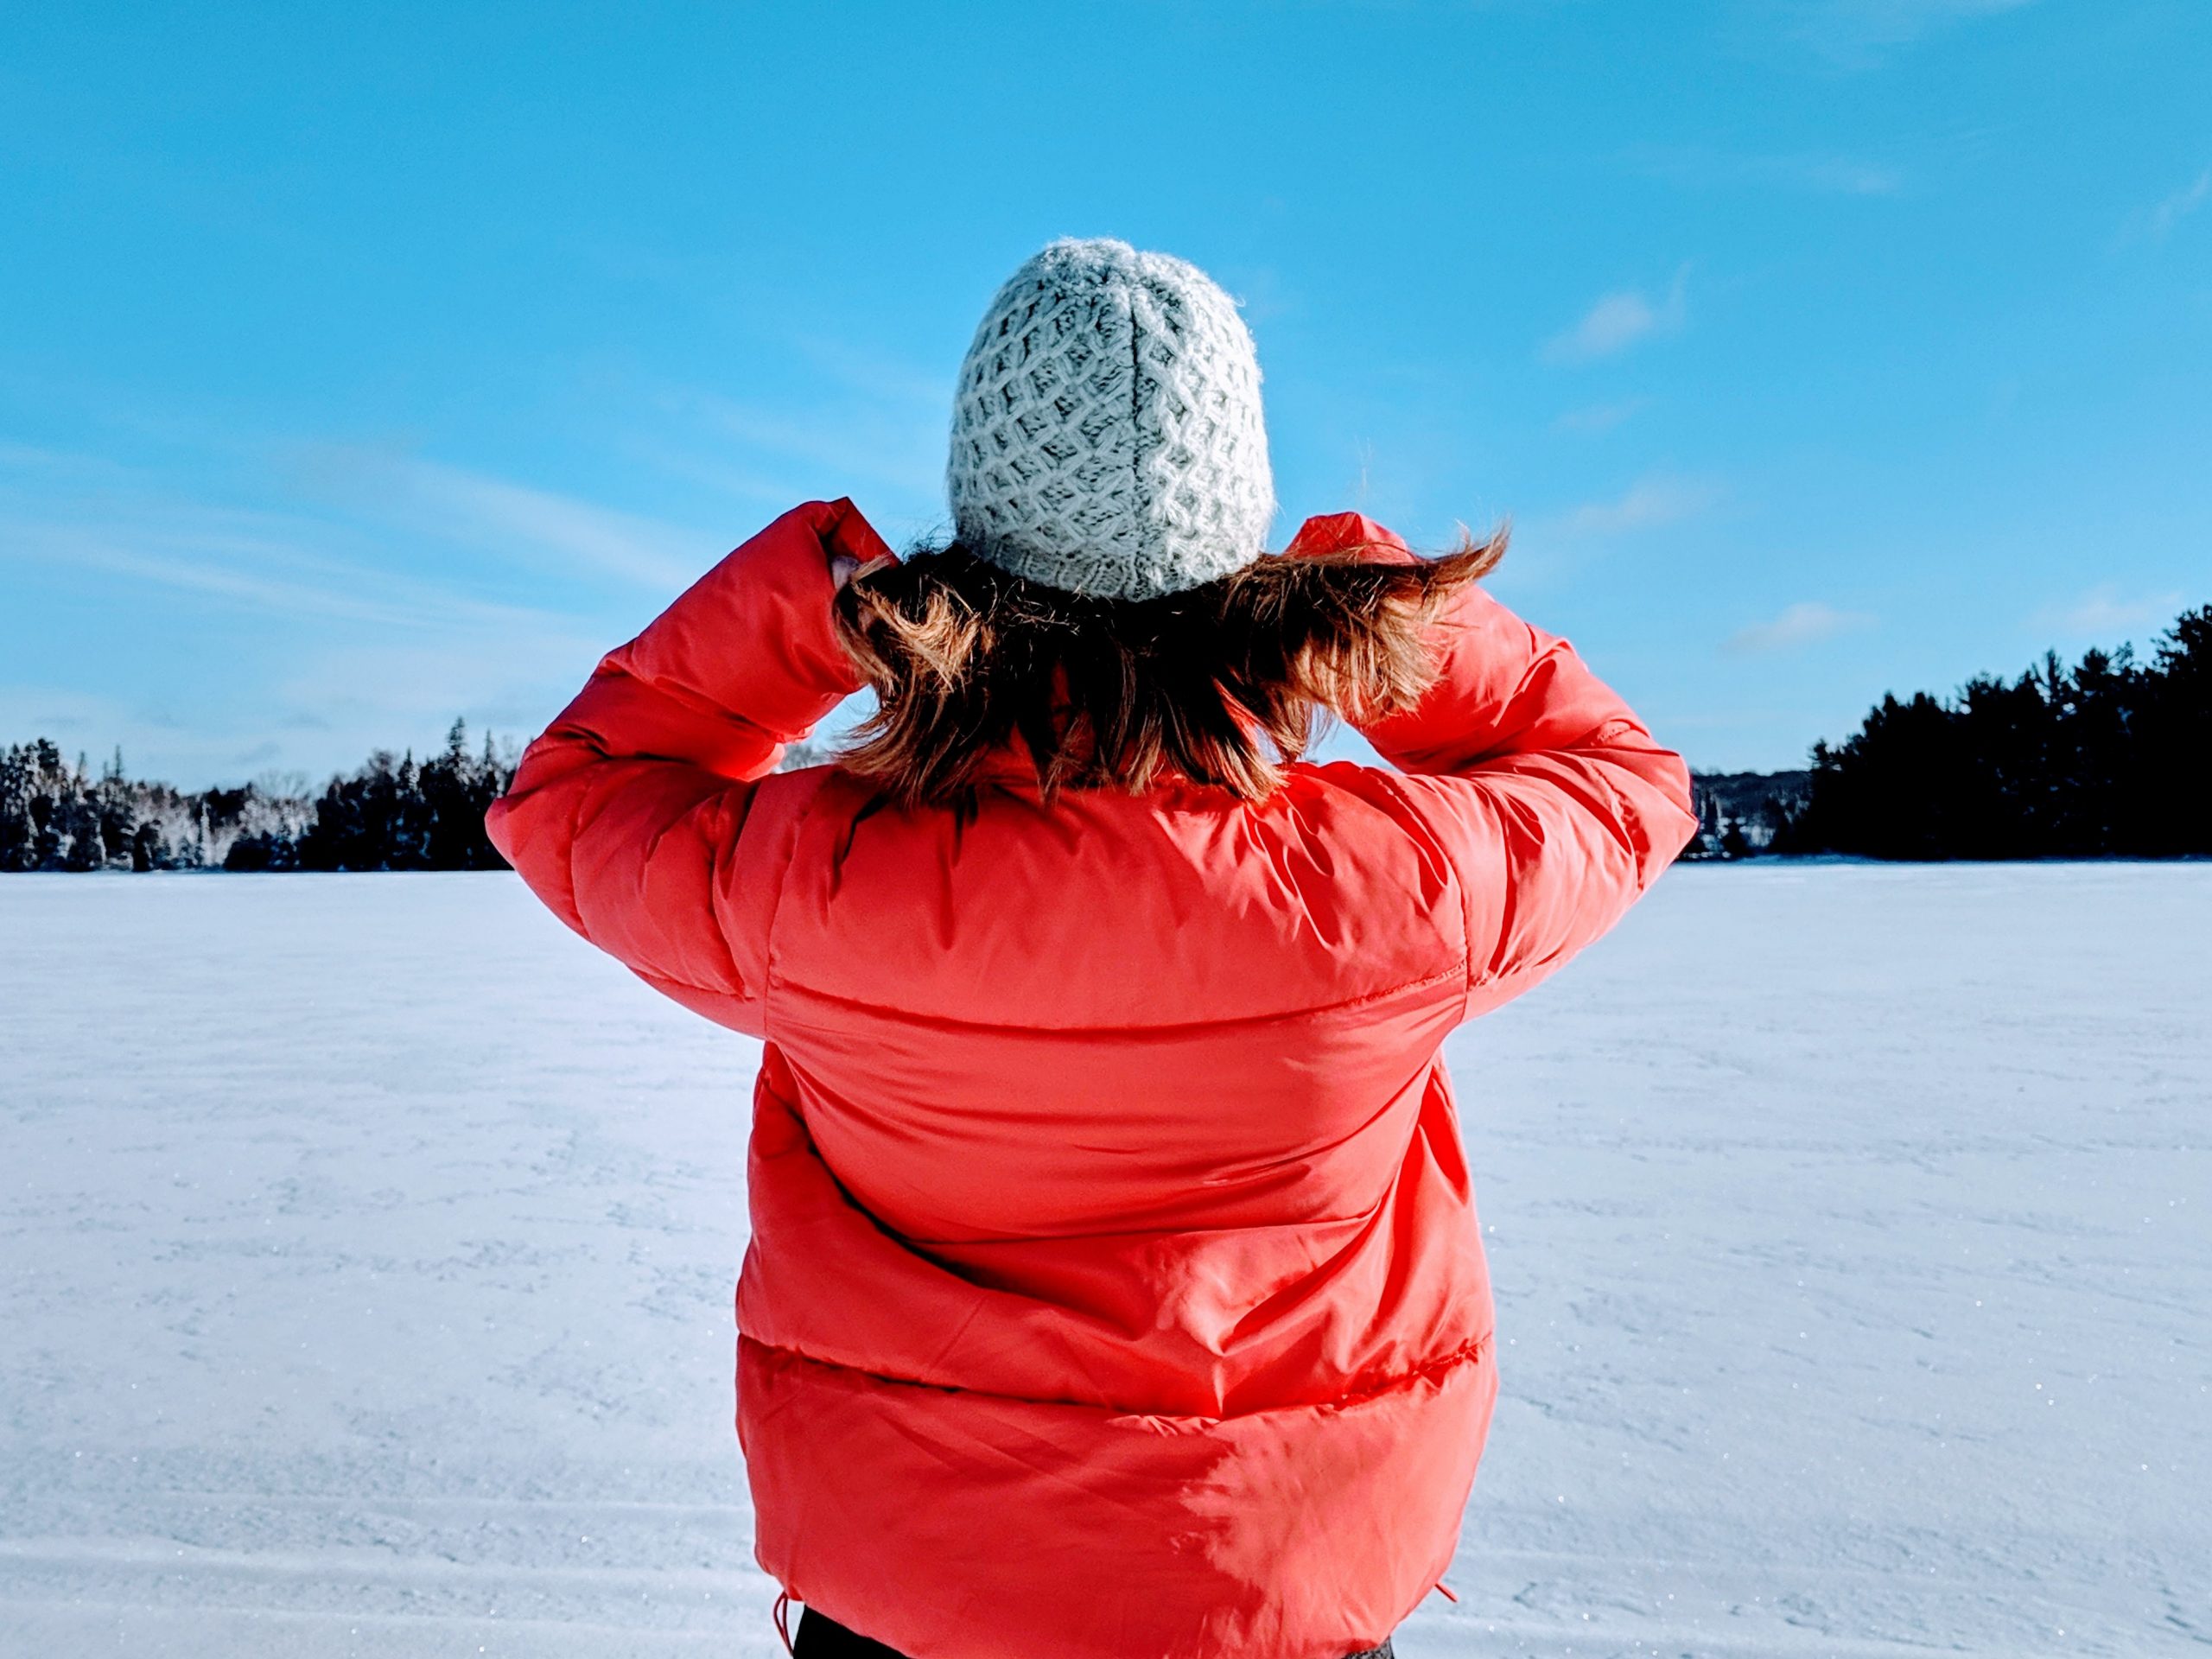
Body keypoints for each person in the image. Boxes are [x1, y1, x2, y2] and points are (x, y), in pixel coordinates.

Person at [488, 238, 1696, 1659]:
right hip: (1280, 1596)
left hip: (916, 1602)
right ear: (1235, 537)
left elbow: (576, 791)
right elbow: (1621, 774)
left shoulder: (818, 882)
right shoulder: (1401, 889)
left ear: (978, 532)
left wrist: (821, 603)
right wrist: (1370, 595)